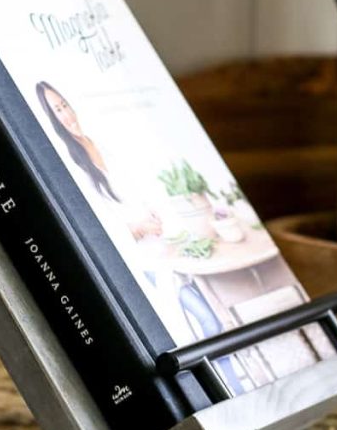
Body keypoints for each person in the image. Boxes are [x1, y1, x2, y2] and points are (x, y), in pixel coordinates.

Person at [35, 81, 222, 340]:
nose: (66, 114)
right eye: (58, 110)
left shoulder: (99, 142)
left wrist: (154, 212)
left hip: (164, 243)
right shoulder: (72, 164)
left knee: (213, 324)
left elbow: (136, 185)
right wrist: (139, 228)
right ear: (53, 119)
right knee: (206, 326)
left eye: (65, 105)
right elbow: (97, 227)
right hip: (143, 261)